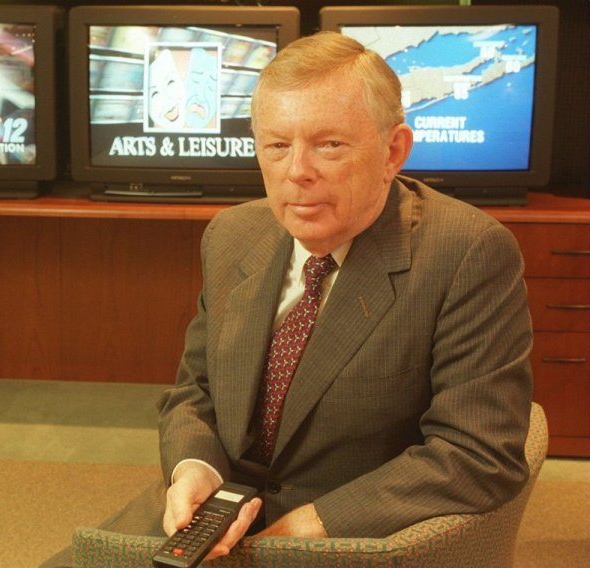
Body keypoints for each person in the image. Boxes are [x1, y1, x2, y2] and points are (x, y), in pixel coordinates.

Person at [72, 30, 534, 564]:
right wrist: (194, 468)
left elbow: (477, 454)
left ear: (393, 151)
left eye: (329, 144)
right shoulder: (231, 235)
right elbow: (193, 391)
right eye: (276, 145)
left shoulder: (468, 254)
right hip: (217, 516)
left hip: (349, 531)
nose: (297, 172)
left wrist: (310, 525)